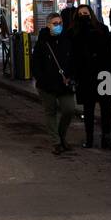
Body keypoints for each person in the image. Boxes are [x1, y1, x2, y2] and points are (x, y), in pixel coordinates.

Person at [70, 4, 111, 149]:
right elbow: (74, 55)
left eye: (86, 13)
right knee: (88, 108)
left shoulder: (102, 29)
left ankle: (106, 138)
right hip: (86, 75)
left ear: (91, 14)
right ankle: (89, 138)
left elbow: (109, 52)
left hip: (103, 73)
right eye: (81, 14)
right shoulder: (75, 31)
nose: (84, 16)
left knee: (106, 107)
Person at [31, 11, 75, 155]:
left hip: (64, 83)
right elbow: (35, 63)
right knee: (50, 112)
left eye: (60, 23)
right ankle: (56, 142)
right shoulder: (42, 41)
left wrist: (70, 75)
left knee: (69, 109)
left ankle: (61, 136)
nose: (58, 26)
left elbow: (72, 60)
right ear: (48, 25)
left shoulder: (67, 39)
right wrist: (41, 79)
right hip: (47, 85)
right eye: (55, 24)